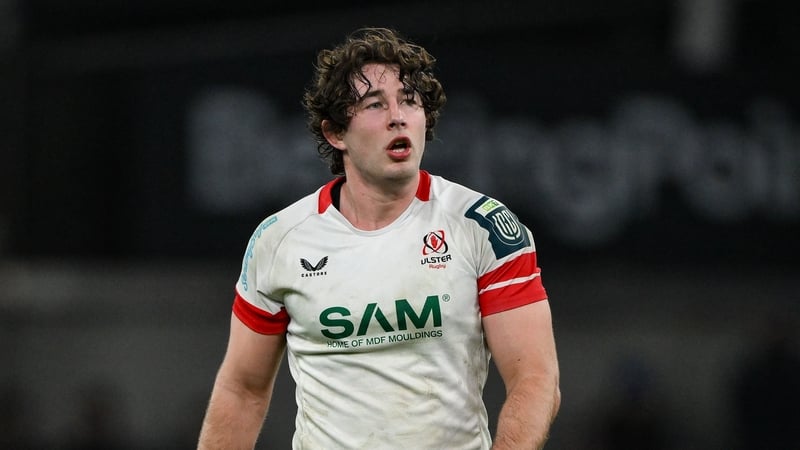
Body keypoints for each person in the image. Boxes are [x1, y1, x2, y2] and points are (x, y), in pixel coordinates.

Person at [198, 27, 560, 449]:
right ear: (335, 133)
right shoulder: (279, 240)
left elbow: (535, 378)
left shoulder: (482, 227)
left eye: (409, 101)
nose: (398, 116)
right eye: (375, 104)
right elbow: (242, 390)